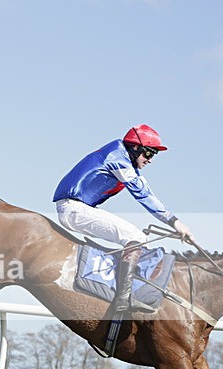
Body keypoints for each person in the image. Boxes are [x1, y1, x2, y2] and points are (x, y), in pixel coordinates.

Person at [53, 124, 194, 313]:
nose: (150, 160)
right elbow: (144, 195)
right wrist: (175, 222)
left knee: (137, 237)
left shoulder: (123, 158)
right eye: (149, 154)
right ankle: (123, 298)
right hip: (73, 209)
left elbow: (144, 188)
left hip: (77, 207)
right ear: (135, 148)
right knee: (135, 237)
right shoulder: (118, 159)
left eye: (153, 155)